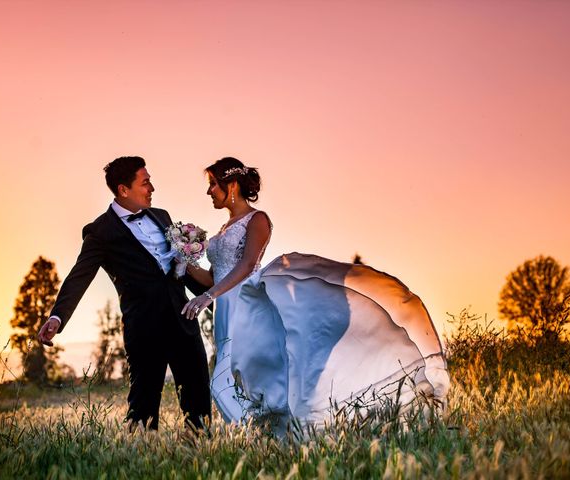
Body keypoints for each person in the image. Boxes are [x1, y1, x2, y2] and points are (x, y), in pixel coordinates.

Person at [183, 157, 450, 431]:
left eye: (213, 184)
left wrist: (209, 296)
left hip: (247, 305)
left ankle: (256, 434)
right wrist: (183, 261)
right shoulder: (223, 229)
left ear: (232, 185)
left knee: (223, 382)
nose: (209, 191)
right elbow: (212, 276)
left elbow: (248, 264)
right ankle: (263, 438)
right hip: (223, 308)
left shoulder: (257, 219)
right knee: (238, 380)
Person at [37, 156, 211, 431]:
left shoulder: (162, 216)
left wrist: (210, 297)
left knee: (198, 397)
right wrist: (57, 317)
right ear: (123, 190)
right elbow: (79, 276)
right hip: (144, 327)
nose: (152, 187)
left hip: (182, 319)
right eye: (145, 182)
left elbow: (180, 267)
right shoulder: (100, 232)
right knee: (143, 404)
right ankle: (140, 458)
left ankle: (197, 453)